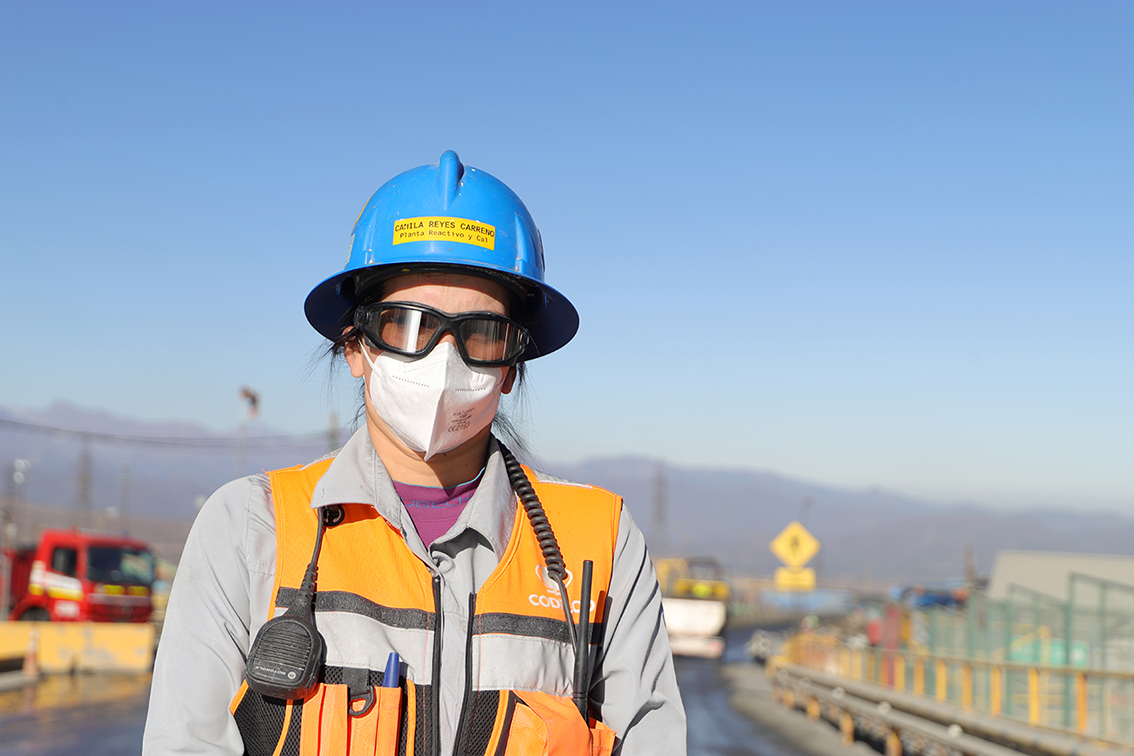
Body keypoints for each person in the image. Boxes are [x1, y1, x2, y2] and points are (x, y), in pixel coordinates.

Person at [143, 151, 686, 756]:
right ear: (355, 346)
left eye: (480, 331)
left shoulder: (598, 544)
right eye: (407, 324)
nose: (442, 358)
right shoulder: (251, 529)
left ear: (511, 367)